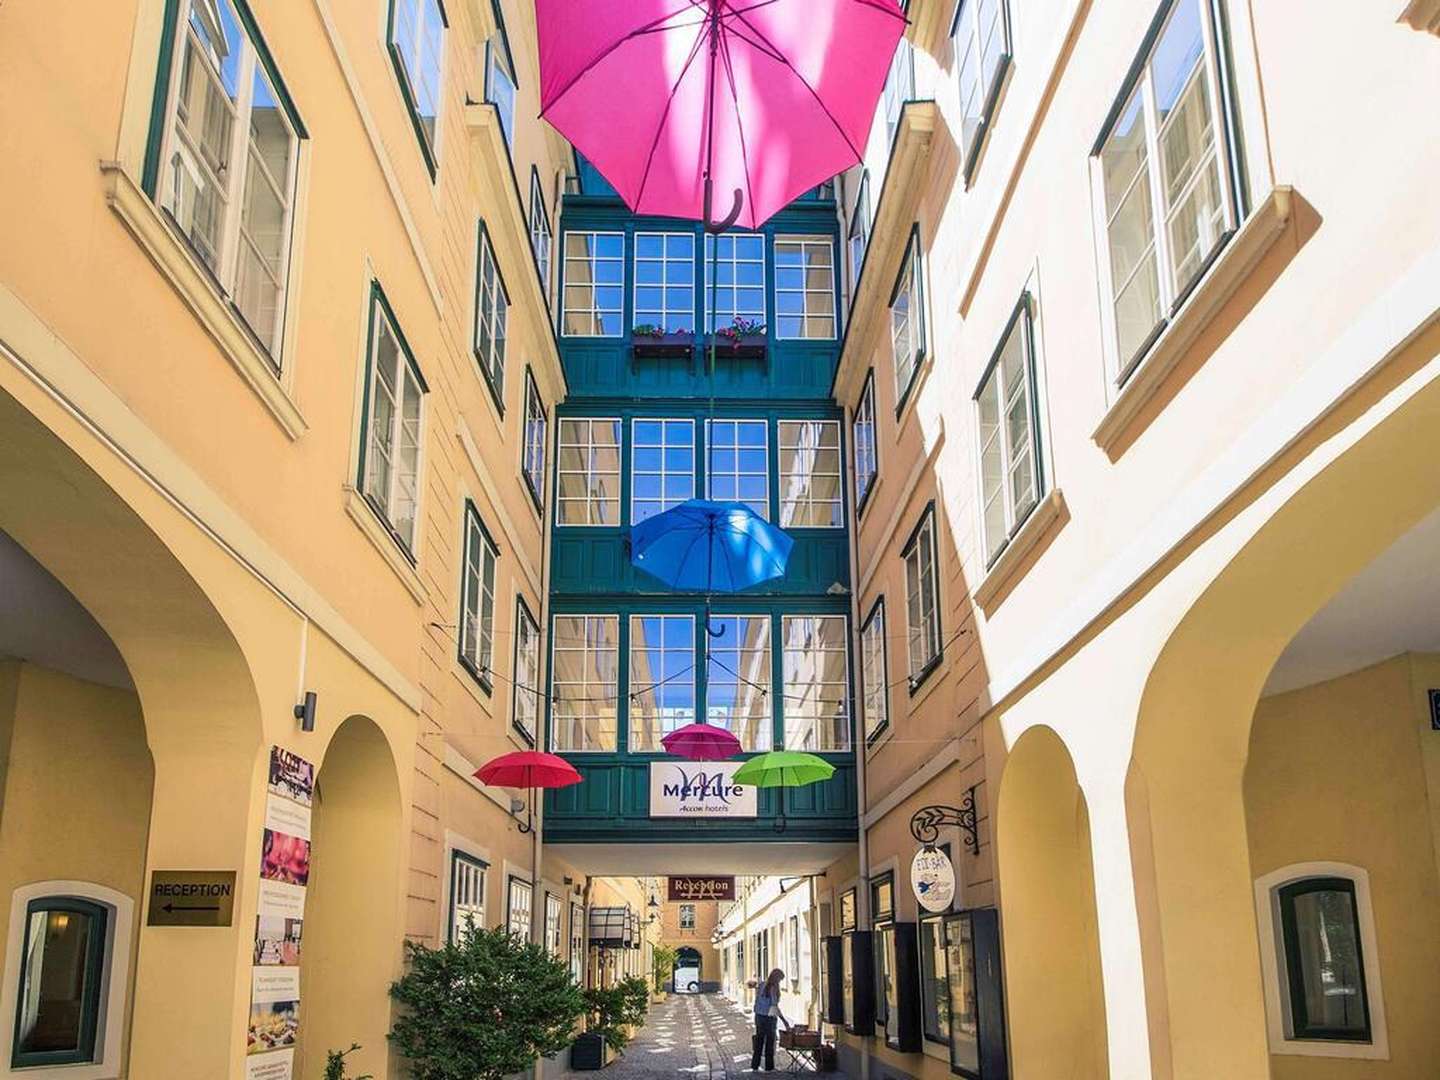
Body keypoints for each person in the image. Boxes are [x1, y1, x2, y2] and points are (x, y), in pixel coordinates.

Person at [750, 968, 790, 1072]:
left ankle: (755, 1065)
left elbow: (757, 1001)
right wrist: (784, 1021)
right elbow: (774, 1007)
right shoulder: (773, 988)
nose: (780, 982)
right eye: (780, 980)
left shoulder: (762, 984)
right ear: (777, 979)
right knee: (770, 1042)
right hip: (769, 1018)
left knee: (759, 1041)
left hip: (759, 1016)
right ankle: (769, 1067)